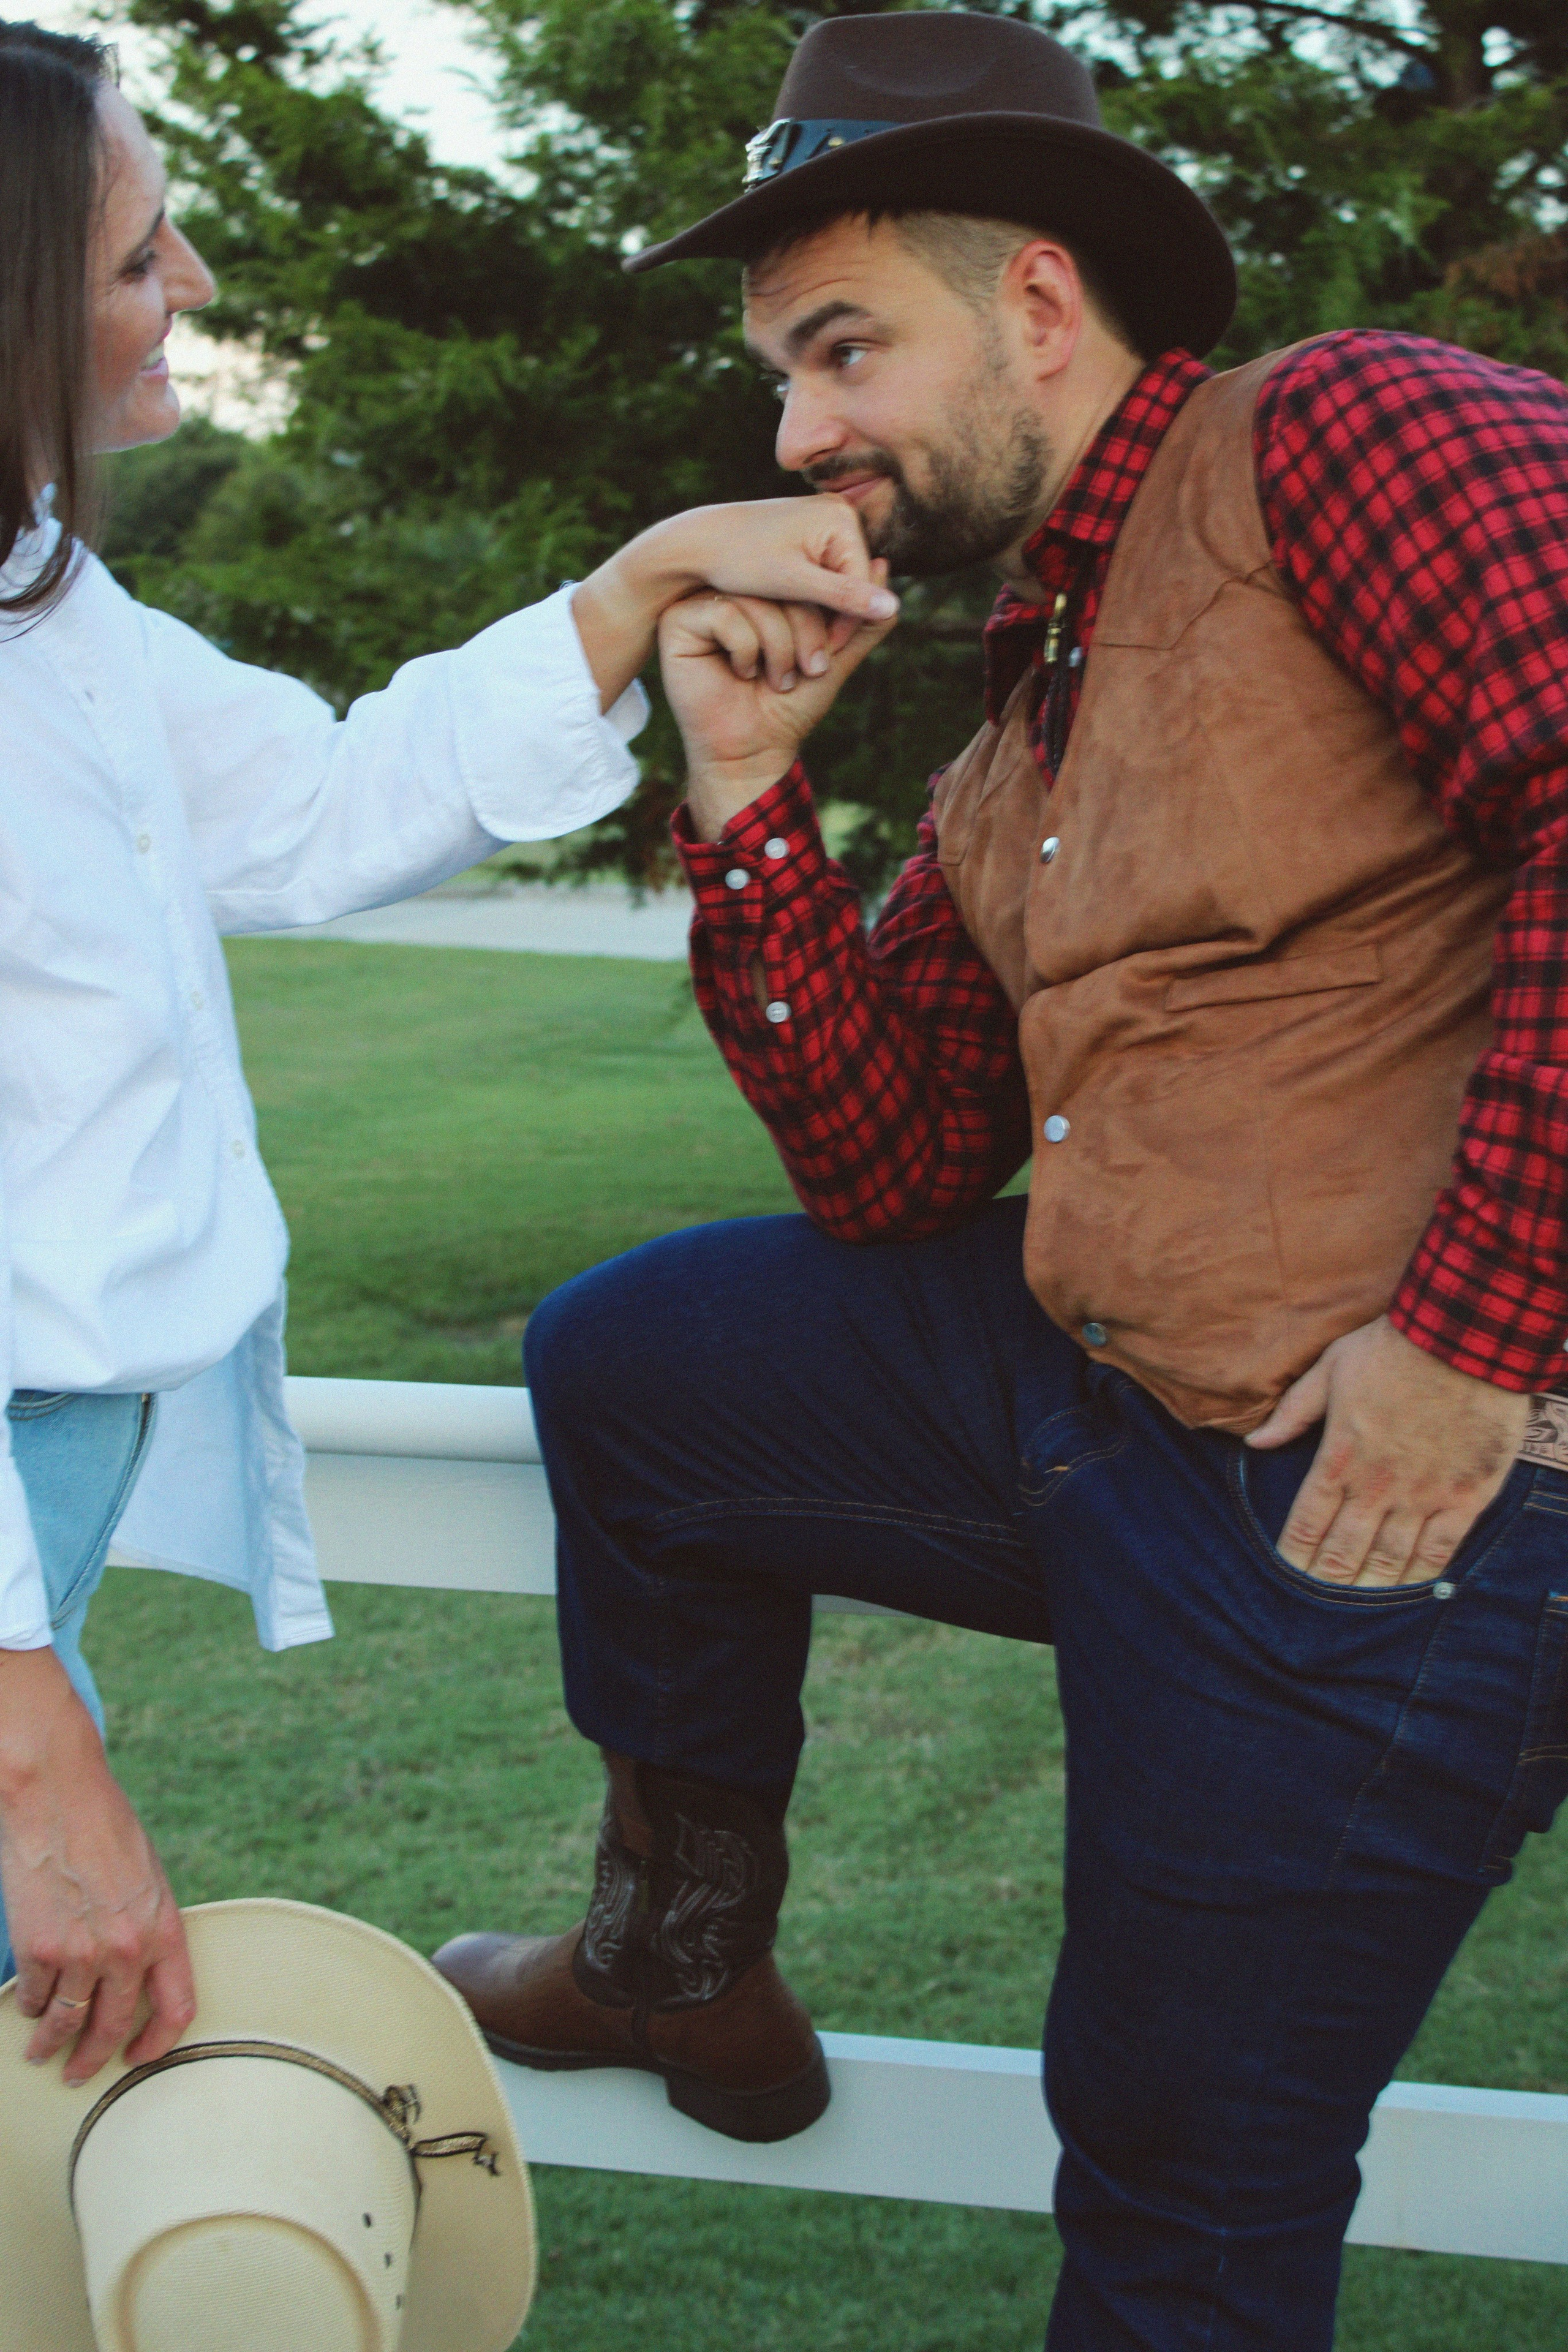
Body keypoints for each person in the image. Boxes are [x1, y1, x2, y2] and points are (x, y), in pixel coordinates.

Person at [434, 12, 1568, 2347]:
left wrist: (1472, 1353)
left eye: (842, 350)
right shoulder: (1016, 708)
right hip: (1098, 1401)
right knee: (638, 1366)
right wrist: (746, 794)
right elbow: (892, 1167)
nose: (797, 440)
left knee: (1173, 2182)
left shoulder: (1344, 429)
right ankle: (678, 1961)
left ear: (1042, 302)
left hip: (1385, 1500)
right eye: (775, 378)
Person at [0, 18, 898, 2093]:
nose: (198, 287)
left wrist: (643, 582)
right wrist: (38, 1760)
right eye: (145, 255)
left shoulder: (62, 614)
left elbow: (316, 806)